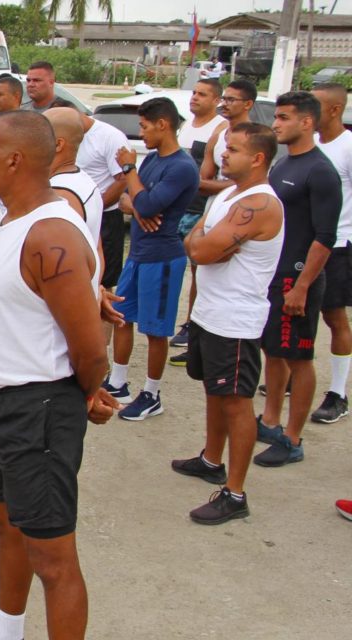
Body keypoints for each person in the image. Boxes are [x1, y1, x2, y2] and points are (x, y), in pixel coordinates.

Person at [0, 110, 115, 640]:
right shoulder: (10, 223)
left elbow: (89, 348)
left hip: (36, 409)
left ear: (15, 159)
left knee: (53, 557)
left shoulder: (50, 234)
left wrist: (85, 395)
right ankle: (7, 631)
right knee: (7, 526)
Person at [172, 122, 284, 525]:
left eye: (233, 150)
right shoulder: (230, 196)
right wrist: (204, 240)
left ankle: (235, 493)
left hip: (235, 322)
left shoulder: (259, 204)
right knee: (214, 393)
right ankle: (210, 459)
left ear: (257, 158)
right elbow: (200, 243)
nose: (223, 154)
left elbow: (201, 250)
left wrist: (203, 241)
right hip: (209, 314)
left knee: (237, 403)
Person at [254, 91, 342, 468]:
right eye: (276, 117)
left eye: (285, 118)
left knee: (300, 357)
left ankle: (293, 438)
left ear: (307, 122)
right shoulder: (283, 165)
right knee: (273, 351)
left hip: (297, 280)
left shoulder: (320, 171)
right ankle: (271, 420)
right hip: (274, 275)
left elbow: (325, 237)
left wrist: (303, 286)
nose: (276, 125)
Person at [104, 97, 200, 421]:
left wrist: (130, 170)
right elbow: (130, 201)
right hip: (140, 253)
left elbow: (142, 202)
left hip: (162, 257)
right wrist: (139, 205)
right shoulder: (154, 160)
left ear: (163, 124)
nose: (140, 134)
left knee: (155, 329)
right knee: (121, 316)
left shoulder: (183, 167)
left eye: (144, 127)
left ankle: (152, 392)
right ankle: (118, 381)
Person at [169, 79, 229, 364]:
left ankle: (194, 323)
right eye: (193, 92)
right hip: (179, 204)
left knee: (198, 269)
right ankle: (189, 322)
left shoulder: (219, 128)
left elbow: (209, 175)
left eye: (202, 94)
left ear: (216, 100)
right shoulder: (186, 126)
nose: (195, 98)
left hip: (197, 206)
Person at [311, 82, 352, 423]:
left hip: (338, 245)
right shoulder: (309, 145)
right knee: (300, 315)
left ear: (335, 110)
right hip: (304, 245)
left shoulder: (349, 146)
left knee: (334, 317)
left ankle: (338, 392)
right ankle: (298, 376)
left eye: (316, 106)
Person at [74, 103, 129, 295]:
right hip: (72, 217)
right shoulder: (63, 136)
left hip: (105, 217)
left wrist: (93, 209)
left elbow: (122, 180)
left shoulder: (109, 136)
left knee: (102, 285)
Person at [45, 107, 104, 245]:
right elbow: (98, 248)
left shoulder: (59, 194)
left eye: (38, 135)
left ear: (58, 144)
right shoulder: (84, 180)